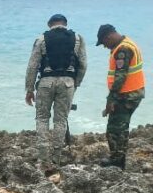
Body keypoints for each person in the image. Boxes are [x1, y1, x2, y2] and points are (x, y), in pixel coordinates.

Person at [25, 13, 87, 176]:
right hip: (67, 83)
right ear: (65, 24)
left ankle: (44, 159)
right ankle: (56, 159)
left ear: (49, 24)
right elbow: (83, 64)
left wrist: (29, 89)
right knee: (61, 119)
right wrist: (76, 83)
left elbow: (32, 66)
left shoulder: (41, 39)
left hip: (45, 83)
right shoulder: (78, 38)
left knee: (42, 118)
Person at [96, 23, 145, 169]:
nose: (105, 46)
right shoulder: (128, 43)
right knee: (122, 127)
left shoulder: (122, 49)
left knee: (115, 128)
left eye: (104, 42)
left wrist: (111, 99)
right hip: (134, 92)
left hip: (126, 95)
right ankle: (119, 159)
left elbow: (120, 77)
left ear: (109, 36)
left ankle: (117, 161)